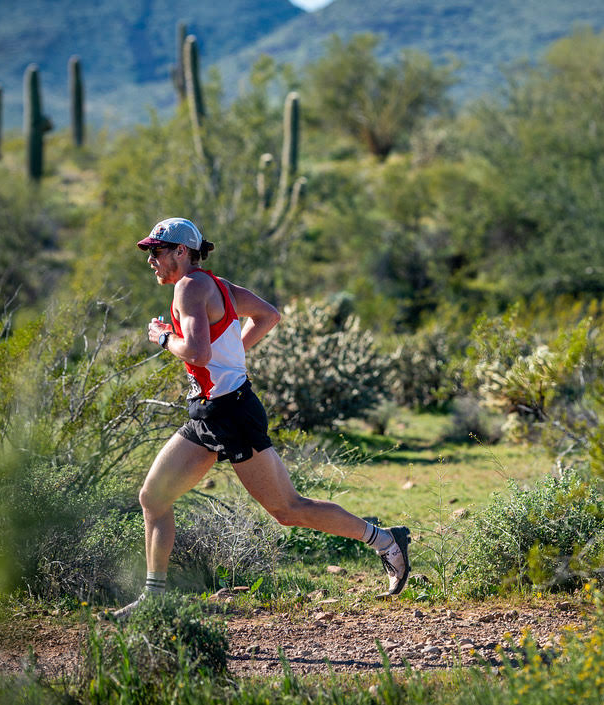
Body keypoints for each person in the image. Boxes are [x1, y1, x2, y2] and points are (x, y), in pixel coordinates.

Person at [109, 217, 410, 620]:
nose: (151, 260)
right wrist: (231, 355)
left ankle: (386, 541)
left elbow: (197, 353)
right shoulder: (219, 285)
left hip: (231, 414)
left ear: (181, 251)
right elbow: (269, 315)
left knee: (288, 509)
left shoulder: (189, 287)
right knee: (153, 497)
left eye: (157, 251)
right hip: (208, 412)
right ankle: (154, 599)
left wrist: (163, 337)